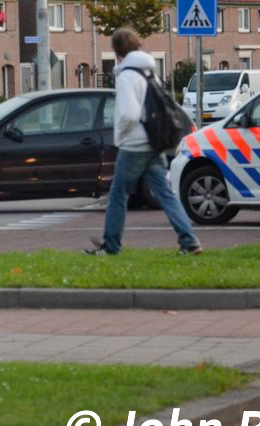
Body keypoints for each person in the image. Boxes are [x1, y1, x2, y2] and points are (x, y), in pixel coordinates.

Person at [86, 28, 202, 256]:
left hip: (134, 145)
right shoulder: (149, 72)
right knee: (165, 194)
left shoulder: (126, 76)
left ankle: (111, 245)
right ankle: (189, 241)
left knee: (118, 196)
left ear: (117, 50)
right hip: (153, 142)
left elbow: (129, 114)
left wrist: (121, 136)